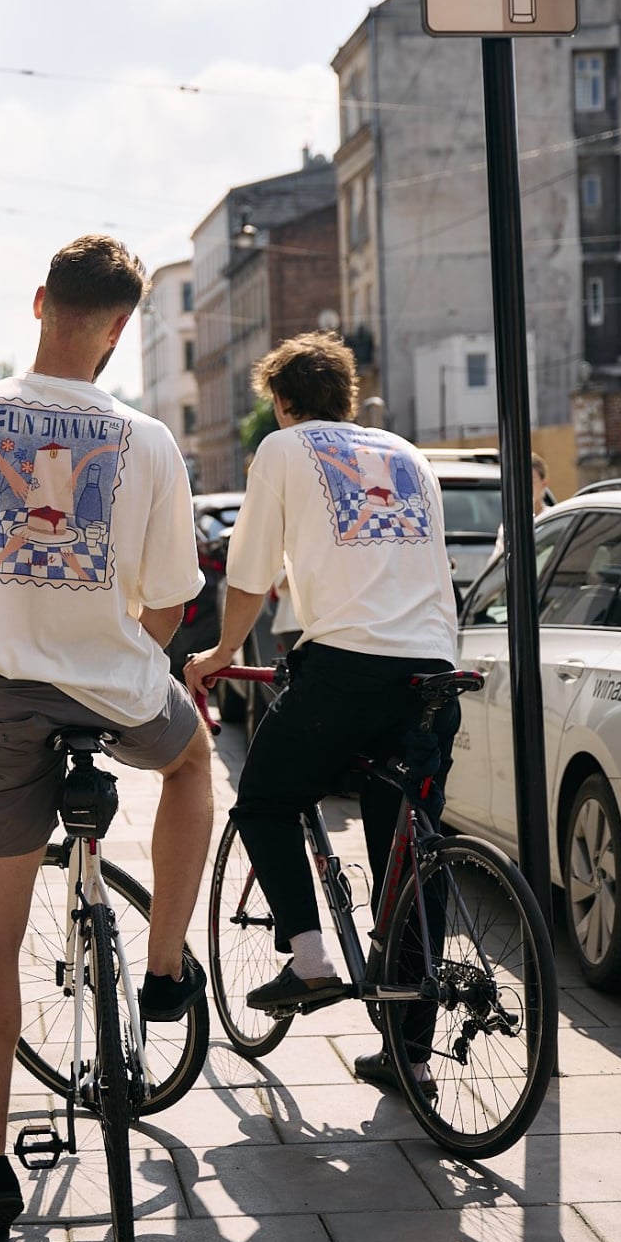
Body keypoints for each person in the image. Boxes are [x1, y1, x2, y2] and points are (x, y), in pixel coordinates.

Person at [0, 235, 213, 1240]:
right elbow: (171, 603)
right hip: (118, 691)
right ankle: (163, 965)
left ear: (39, 302)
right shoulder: (149, 440)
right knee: (196, 762)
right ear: (120, 328)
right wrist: (121, 653)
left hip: (5, 702)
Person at [184, 332, 459, 1094]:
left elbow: (249, 573)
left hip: (347, 674)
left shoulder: (284, 449)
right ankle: (411, 1055)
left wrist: (216, 654)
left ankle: (308, 961)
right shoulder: (409, 453)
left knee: (267, 801)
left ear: (282, 402)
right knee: (408, 847)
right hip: (435, 673)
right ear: (349, 393)